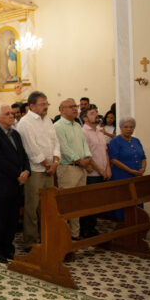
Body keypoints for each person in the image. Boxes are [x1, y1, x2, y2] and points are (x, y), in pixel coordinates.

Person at [0, 105, 30, 263]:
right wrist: (18, 174)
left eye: (12, 113)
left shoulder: (15, 134)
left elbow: (23, 155)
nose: (12, 116)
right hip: (0, 185)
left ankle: (8, 248)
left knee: (12, 219)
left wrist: (26, 171)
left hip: (15, 184)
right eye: (8, 114)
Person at [17, 91, 60, 251]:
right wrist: (46, 164)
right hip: (35, 170)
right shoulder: (25, 122)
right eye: (42, 104)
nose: (46, 107)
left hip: (49, 169)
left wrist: (55, 162)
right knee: (32, 207)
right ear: (32, 106)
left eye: (46, 104)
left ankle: (46, 237)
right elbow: (31, 147)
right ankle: (31, 241)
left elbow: (55, 142)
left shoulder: (48, 121)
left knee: (47, 206)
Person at [54, 98, 93, 240]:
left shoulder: (77, 125)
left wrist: (88, 157)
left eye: (75, 106)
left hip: (81, 168)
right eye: (71, 107)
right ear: (61, 109)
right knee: (66, 203)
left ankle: (75, 234)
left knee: (77, 203)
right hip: (68, 168)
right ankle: (64, 235)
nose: (75, 109)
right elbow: (63, 148)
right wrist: (79, 160)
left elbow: (84, 144)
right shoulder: (58, 126)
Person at [81, 105, 112, 238]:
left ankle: (93, 227)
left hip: (103, 172)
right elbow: (87, 155)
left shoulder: (100, 132)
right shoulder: (84, 132)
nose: (96, 115)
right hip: (92, 174)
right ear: (85, 118)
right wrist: (100, 170)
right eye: (92, 113)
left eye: (97, 113)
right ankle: (85, 229)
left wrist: (108, 168)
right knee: (88, 202)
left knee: (97, 202)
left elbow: (105, 151)